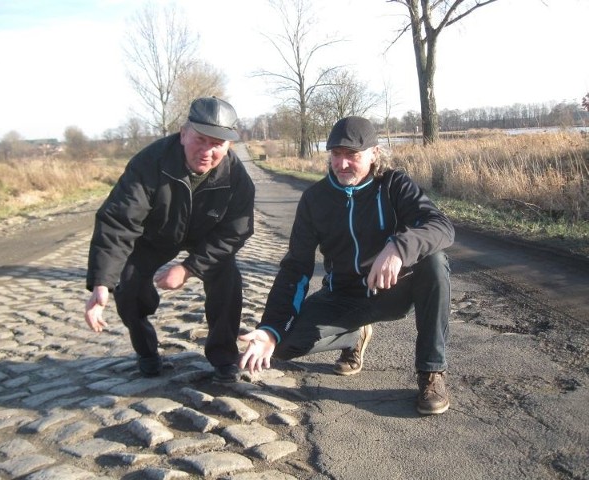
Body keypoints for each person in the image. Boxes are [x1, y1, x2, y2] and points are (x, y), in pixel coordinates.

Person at [239, 116, 454, 414]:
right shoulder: (315, 199)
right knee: (283, 345)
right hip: (342, 296)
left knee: (434, 260)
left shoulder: (393, 185)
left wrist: (398, 248)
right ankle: (355, 335)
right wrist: (270, 329)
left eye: (351, 155)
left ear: (374, 153)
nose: (341, 164)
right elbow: (295, 268)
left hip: (391, 290)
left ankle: (431, 372)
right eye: (336, 154)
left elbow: (441, 227)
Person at [84, 97, 255, 383]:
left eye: (217, 144)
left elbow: (235, 231)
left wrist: (188, 268)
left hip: (206, 235)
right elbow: (118, 222)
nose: (207, 151)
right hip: (157, 234)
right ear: (183, 132)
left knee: (228, 279)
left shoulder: (237, 176)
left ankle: (224, 356)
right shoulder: (149, 164)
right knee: (127, 285)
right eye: (200, 139)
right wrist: (102, 282)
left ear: (229, 145)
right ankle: (147, 352)